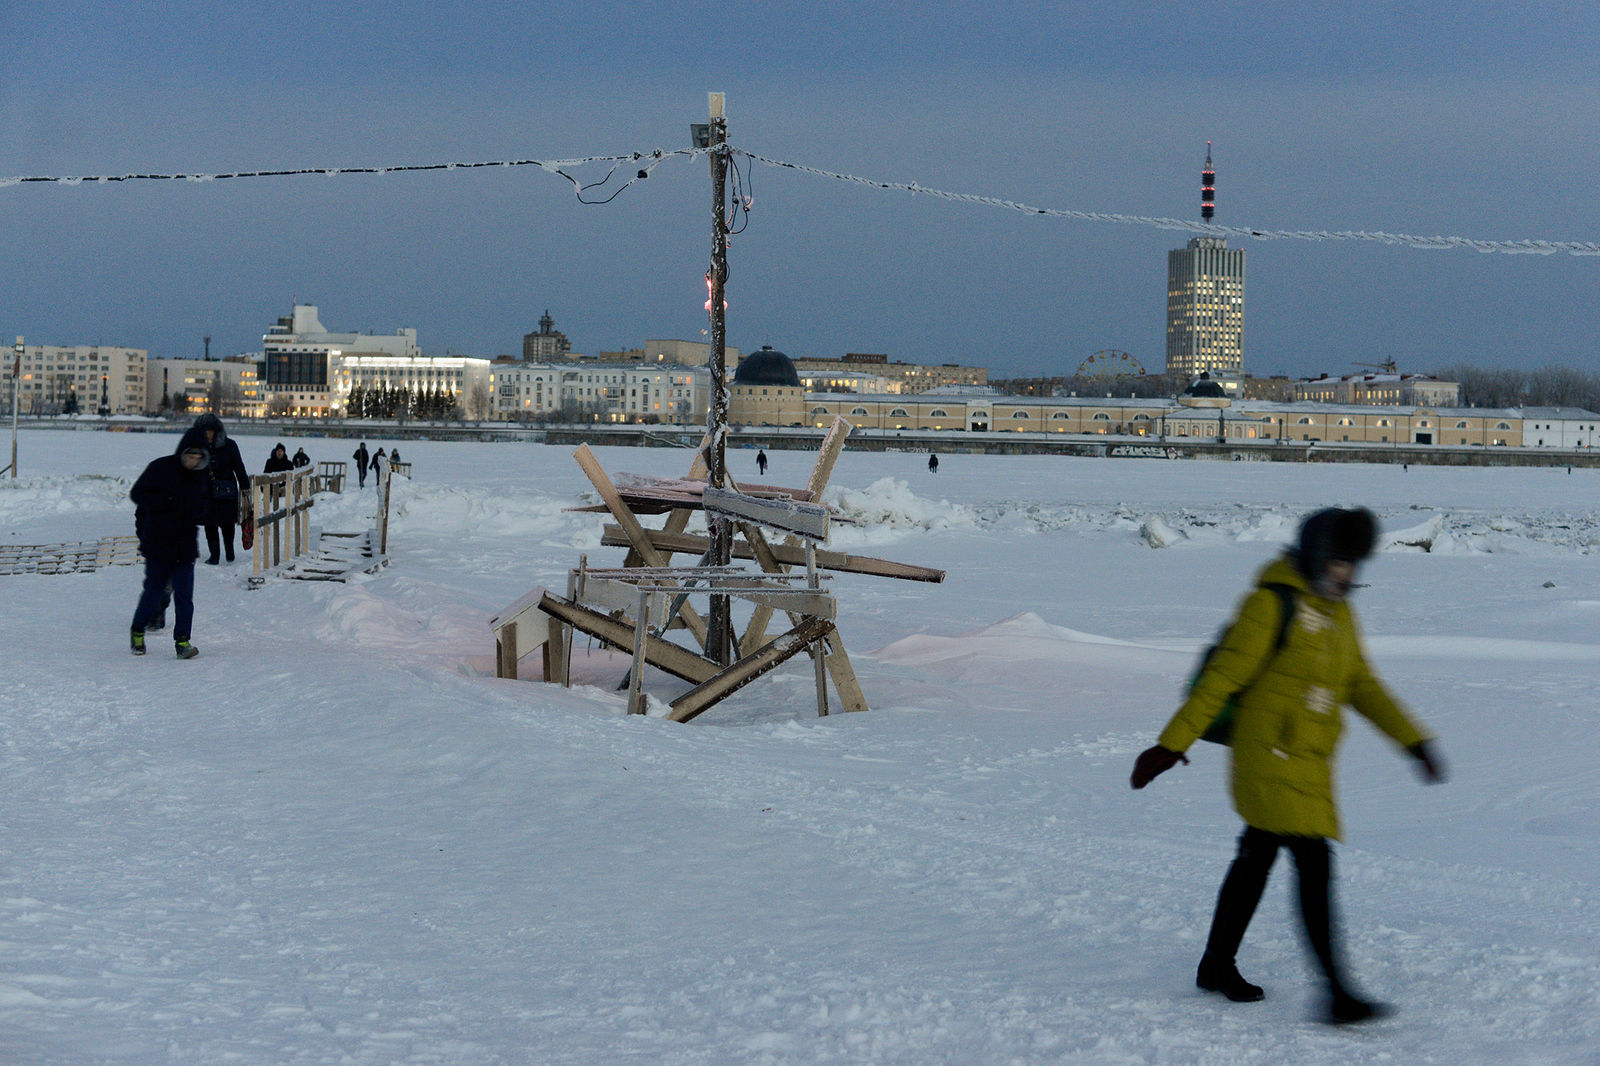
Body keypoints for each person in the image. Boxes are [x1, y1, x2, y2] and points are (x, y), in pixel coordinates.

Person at [1130, 507, 1446, 1025]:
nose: (1346, 573)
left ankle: (1215, 965)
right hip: (1267, 757)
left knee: (1255, 859)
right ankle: (1338, 993)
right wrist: (1168, 746)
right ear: (1316, 554)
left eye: (1352, 564)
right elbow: (1222, 681)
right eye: (1338, 562)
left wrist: (1414, 741)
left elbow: (1361, 685)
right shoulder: (1270, 604)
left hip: (1309, 762)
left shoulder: (1340, 613)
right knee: (1312, 864)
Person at [129, 429, 211, 659]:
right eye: (190, 456)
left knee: (184, 596)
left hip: (185, 544)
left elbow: (204, 504)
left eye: (198, 458)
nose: (193, 461)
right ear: (182, 451)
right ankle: (137, 631)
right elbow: (138, 494)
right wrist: (165, 502)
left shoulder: (200, 475)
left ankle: (182, 642)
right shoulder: (160, 468)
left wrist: (201, 511)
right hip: (159, 543)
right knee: (154, 592)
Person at [193, 413, 251, 564]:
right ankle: (214, 556)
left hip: (227, 492)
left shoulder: (229, 445)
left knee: (227, 523)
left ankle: (229, 551)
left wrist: (245, 488)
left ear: (216, 430)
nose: (207, 434)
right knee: (209, 524)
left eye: (210, 430)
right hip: (206, 493)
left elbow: (239, 467)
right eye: (204, 431)